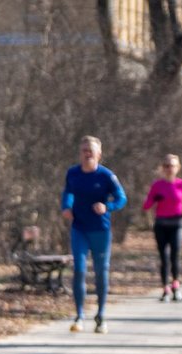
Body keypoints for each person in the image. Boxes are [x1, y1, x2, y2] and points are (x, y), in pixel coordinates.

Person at [61, 135, 128, 334]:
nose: (87, 154)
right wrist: (66, 206)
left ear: (99, 154)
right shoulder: (72, 173)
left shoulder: (106, 176)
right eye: (84, 150)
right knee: (79, 270)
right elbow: (68, 192)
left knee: (100, 272)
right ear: (80, 153)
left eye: (91, 150)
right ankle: (79, 315)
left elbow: (121, 198)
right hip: (79, 228)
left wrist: (107, 206)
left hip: (100, 229)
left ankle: (101, 315)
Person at [142, 154, 182, 302]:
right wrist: (154, 198)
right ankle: (165, 288)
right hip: (161, 224)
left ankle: (176, 286)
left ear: (177, 168)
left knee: (175, 256)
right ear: (162, 168)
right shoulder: (157, 185)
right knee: (164, 257)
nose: (169, 169)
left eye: (172, 166)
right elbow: (146, 206)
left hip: (177, 224)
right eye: (166, 166)